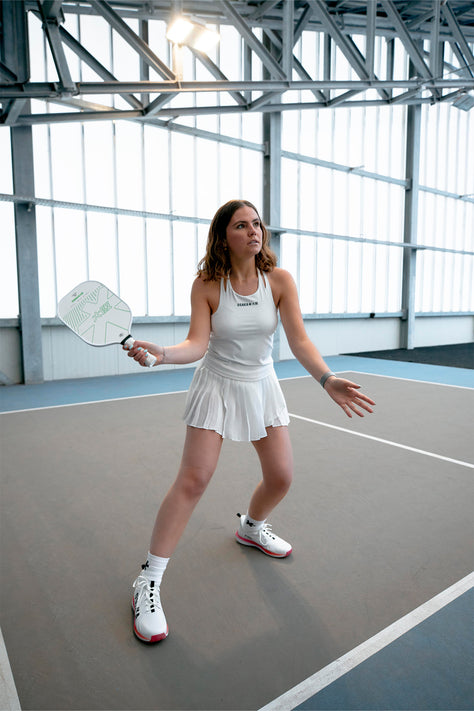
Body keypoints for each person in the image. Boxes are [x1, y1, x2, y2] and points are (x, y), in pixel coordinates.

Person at [125, 199, 375, 643]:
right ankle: (148, 579)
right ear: (224, 237)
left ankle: (252, 527)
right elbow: (197, 344)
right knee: (193, 480)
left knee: (281, 477)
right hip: (216, 385)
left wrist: (327, 379)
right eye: (241, 225)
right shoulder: (207, 285)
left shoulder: (279, 281)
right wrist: (162, 354)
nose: (253, 231)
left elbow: (299, 340)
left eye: (256, 223)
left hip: (261, 384)